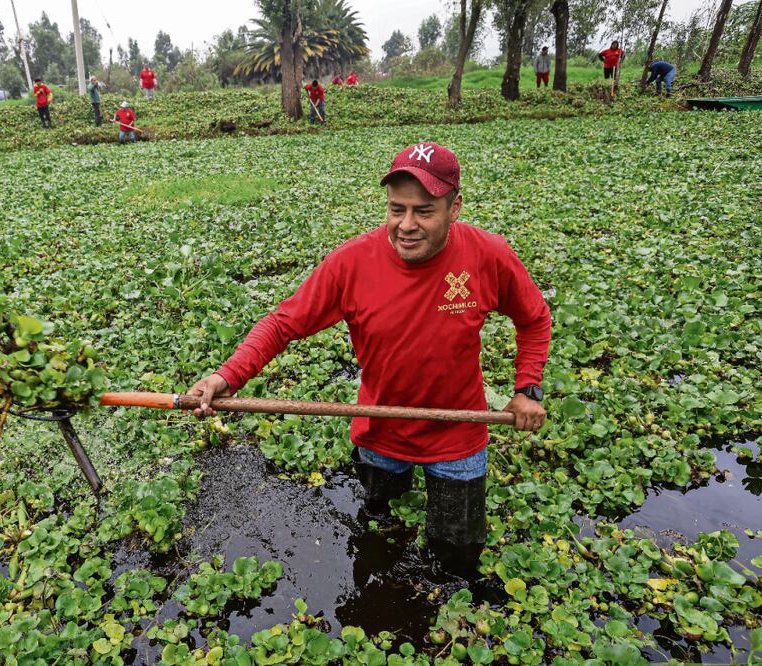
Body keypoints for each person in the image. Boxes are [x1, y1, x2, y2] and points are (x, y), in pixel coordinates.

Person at [187, 142, 551, 580]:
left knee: (457, 556)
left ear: (455, 207)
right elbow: (283, 323)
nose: (407, 225)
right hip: (379, 429)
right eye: (397, 209)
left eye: (424, 211)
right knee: (378, 531)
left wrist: (527, 389)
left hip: (459, 431)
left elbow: (534, 318)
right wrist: (228, 376)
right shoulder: (352, 262)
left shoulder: (488, 254)